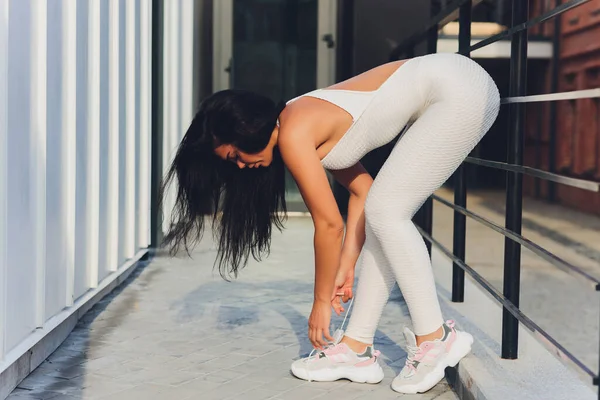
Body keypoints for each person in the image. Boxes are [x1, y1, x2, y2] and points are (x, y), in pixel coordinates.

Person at [161, 52, 500, 394]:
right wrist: (347, 263)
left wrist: (321, 302)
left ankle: (435, 337)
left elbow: (329, 225)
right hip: (453, 86)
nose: (239, 167)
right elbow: (362, 193)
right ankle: (356, 347)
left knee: (388, 211)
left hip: (459, 87)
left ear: (246, 129)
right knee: (383, 209)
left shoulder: (293, 132)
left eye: (235, 156)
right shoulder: (297, 123)